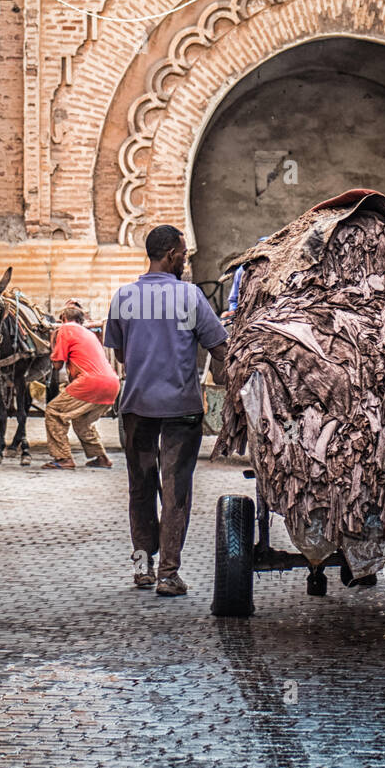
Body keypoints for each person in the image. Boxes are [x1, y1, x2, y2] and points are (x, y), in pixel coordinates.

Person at [104, 225, 227, 596]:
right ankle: (168, 575)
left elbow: (121, 354)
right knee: (176, 491)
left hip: (137, 407)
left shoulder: (123, 297)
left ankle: (143, 568)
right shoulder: (190, 297)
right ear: (171, 254)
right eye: (184, 254)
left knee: (140, 487)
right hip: (181, 408)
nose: (185, 259)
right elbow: (219, 348)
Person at [43, 301, 120, 470]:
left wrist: (53, 343)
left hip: (90, 383)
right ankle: (101, 458)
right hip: (111, 385)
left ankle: (63, 458)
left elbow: (57, 364)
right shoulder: (88, 333)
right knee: (82, 421)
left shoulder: (65, 329)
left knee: (54, 411)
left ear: (63, 318)